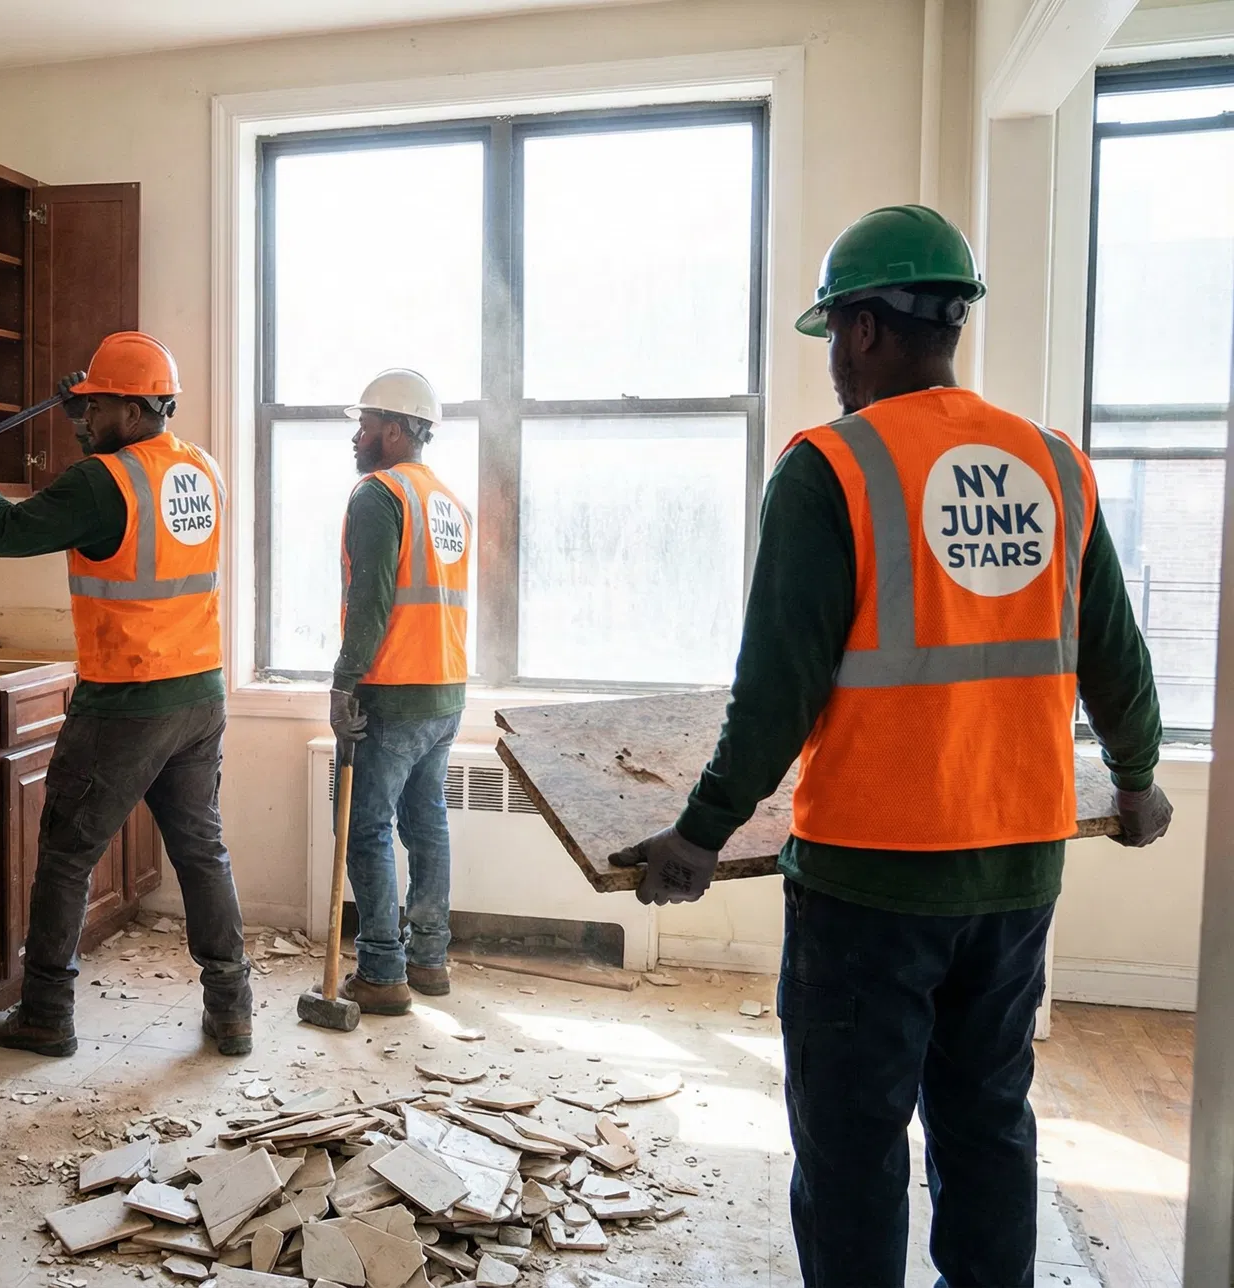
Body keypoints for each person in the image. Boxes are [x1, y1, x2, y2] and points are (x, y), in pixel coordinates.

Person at [609, 205, 1170, 1286]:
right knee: (988, 1123)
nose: (831, 362)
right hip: (1018, 872)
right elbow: (1118, 653)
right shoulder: (1055, 463)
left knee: (854, 1150)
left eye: (832, 337)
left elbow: (776, 689)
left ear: (864, 329)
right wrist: (1139, 779)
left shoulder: (832, 467)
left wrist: (700, 834)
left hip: (870, 884)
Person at [0, 330, 253, 1057]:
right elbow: (123, 504)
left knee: (66, 853)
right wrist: (83, 411)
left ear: (137, 406)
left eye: (96, 407)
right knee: (201, 851)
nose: (84, 420)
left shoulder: (102, 483)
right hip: (199, 695)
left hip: (127, 699)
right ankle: (232, 1009)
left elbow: (7, 532)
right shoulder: (200, 469)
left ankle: (46, 1013)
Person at [326, 369, 471, 1016]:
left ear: (393, 429)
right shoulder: (447, 501)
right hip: (445, 686)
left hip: (391, 688)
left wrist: (344, 680)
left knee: (365, 827)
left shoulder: (379, 494)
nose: (357, 437)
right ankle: (429, 959)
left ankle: (383, 971)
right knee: (426, 823)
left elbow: (371, 599)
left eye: (365, 425)